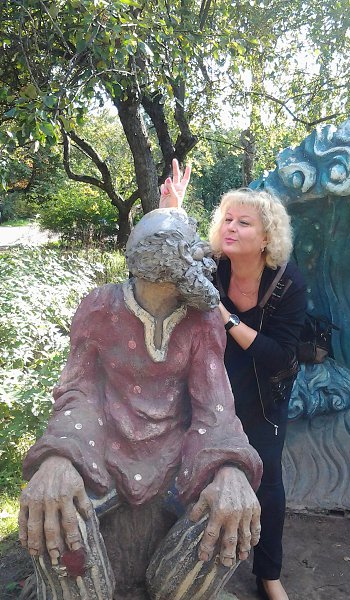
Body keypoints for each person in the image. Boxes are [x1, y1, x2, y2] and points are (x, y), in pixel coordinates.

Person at [19, 207, 263, 600]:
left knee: (229, 514)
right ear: (160, 266)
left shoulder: (203, 321)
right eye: (192, 253)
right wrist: (60, 456)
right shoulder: (100, 307)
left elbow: (214, 406)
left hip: (175, 462)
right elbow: (79, 390)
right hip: (103, 453)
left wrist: (230, 467)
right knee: (56, 512)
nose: (205, 260)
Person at [160, 161, 307, 600]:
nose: (231, 227)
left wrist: (225, 316)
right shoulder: (215, 266)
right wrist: (170, 210)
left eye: (244, 222)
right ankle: (188, 547)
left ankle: (269, 574)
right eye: (227, 219)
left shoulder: (288, 283)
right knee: (194, 461)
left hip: (265, 391)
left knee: (268, 479)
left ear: (266, 238)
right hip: (212, 384)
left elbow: (280, 355)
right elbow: (167, 259)